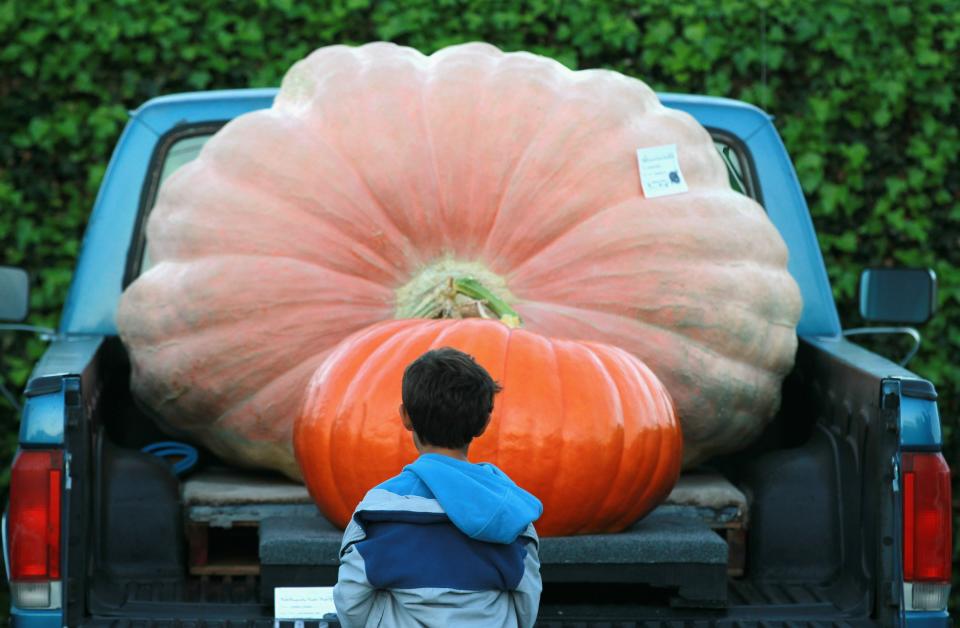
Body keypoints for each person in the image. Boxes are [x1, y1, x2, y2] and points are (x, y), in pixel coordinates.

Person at [333, 347, 543, 627]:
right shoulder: (512, 512)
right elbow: (526, 606)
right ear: (484, 423)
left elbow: (352, 602)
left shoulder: (378, 509)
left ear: (405, 417)